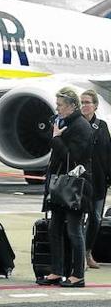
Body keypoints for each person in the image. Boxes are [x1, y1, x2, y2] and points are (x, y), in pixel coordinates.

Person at [36, 87, 93, 288]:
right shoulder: (65, 123)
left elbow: (73, 158)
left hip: (75, 187)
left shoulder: (81, 126)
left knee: (74, 230)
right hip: (61, 186)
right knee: (54, 228)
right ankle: (57, 271)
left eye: (60, 105)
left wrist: (57, 138)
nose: (57, 109)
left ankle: (78, 274)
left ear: (71, 106)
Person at [80, 89, 111, 269]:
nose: (84, 106)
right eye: (82, 103)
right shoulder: (74, 125)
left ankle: (87, 252)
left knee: (95, 218)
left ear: (95, 106)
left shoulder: (102, 126)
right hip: (80, 180)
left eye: (87, 102)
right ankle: (77, 255)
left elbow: (107, 154)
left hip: (98, 180)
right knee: (77, 218)